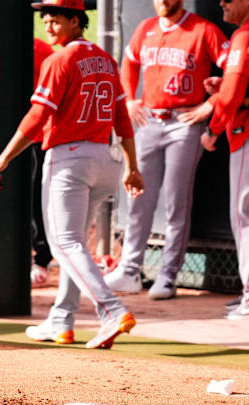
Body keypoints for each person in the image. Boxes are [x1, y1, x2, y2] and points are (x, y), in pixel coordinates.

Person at [0, 0, 145, 349]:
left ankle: (112, 311)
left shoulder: (60, 60)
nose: (48, 26)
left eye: (55, 20)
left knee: (65, 243)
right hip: (105, 159)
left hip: (69, 160)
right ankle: (62, 319)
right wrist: (131, 166)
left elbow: (37, 116)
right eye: (45, 20)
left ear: (76, 20)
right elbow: (122, 119)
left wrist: (3, 158)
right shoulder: (106, 59)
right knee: (76, 246)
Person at [103, 0, 229, 299]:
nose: (161, 0)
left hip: (183, 123)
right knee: (138, 197)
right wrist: (130, 100)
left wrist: (210, 105)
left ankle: (168, 275)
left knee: (176, 201)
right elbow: (129, 62)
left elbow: (235, 68)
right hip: (149, 120)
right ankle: (130, 270)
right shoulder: (145, 28)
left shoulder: (202, 30)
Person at [201, 0, 249, 319]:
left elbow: (232, 99)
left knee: (244, 215)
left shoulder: (243, 36)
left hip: (246, 134)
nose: (222, 2)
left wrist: (213, 129)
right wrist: (226, 87)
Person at [29, 38, 56, 286]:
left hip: (37, 135)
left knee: (38, 198)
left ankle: (42, 258)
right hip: (10, 134)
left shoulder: (39, 49)